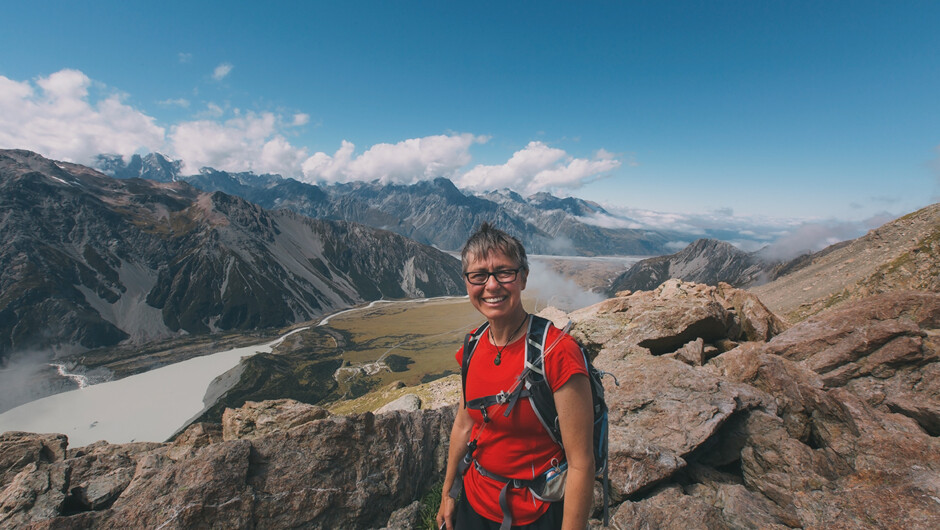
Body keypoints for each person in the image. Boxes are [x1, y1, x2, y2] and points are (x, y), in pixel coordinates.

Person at [437, 223, 595, 530]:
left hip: (535, 513)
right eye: (479, 275)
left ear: (523, 277)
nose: (492, 285)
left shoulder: (558, 352)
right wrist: (448, 493)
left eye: (504, 272)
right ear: (468, 283)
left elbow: (581, 463)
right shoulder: (472, 345)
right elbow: (464, 423)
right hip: (474, 502)